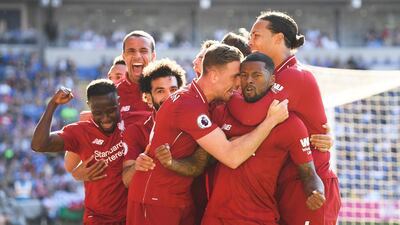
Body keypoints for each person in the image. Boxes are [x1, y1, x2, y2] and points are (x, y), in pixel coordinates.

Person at [128, 43, 289, 225]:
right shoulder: (189, 106)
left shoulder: (199, 100)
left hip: (176, 197)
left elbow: (199, 161)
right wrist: (271, 121)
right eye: (235, 76)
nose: (239, 83)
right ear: (213, 76)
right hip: (156, 199)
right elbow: (232, 157)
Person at [227, 10, 340, 225]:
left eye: (256, 35)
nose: (250, 41)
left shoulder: (295, 75)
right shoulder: (270, 74)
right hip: (284, 183)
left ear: (278, 39)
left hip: (310, 186)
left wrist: (229, 95)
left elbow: (250, 116)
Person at [202, 52, 325, 225]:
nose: (249, 80)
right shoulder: (223, 111)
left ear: (272, 80)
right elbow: (204, 160)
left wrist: (316, 192)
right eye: (244, 75)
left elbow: (309, 174)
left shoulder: (290, 123)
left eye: (257, 75)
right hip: (215, 217)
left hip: (258, 217)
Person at [31, 79, 128, 225]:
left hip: (131, 217)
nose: (106, 118)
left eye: (111, 110)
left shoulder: (132, 124)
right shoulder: (80, 131)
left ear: (118, 102)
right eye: (98, 113)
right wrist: (53, 104)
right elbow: (39, 145)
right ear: (89, 106)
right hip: (97, 219)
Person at [121, 58, 186, 224]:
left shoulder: (196, 126)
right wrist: (138, 164)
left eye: (173, 89)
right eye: (160, 91)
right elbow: (126, 180)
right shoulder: (136, 131)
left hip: (189, 211)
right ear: (147, 98)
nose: (169, 96)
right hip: (149, 215)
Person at [117, 30, 156, 115]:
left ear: (153, 56)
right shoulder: (113, 94)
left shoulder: (167, 91)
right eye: (131, 51)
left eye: (143, 51)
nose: (137, 56)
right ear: (123, 56)